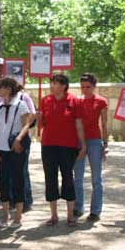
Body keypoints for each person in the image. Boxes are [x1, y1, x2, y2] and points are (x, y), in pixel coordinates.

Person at [37, 73, 86, 227]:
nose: (52, 86)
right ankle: (53, 215)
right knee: (50, 178)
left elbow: (78, 124)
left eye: (56, 83)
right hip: (48, 145)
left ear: (64, 85)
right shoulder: (45, 100)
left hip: (68, 146)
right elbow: (42, 124)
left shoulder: (74, 100)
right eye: (51, 83)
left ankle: (70, 216)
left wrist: (83, 144)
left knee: (68, 178)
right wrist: (38, 118)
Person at [0, 78, 32, 227]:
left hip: (15, 149)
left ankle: (18, 216)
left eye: (1, 87)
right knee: (3, 182)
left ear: (8, 89)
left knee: (18, 180)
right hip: (1, 149)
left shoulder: (21, 105)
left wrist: (18, 139)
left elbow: (26, 125)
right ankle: (5, 215)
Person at [73, 73, 108, 221]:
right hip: (78, 141)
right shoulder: (76, 101)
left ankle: (95, 210)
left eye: (88, 87)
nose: (85, 90)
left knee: (96, 177)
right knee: (78, 177)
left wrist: (105, 144)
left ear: (94, 86)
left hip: (94, 140)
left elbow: (104, 124)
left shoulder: (101, 102)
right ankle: (78, 207)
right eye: (82, 87)